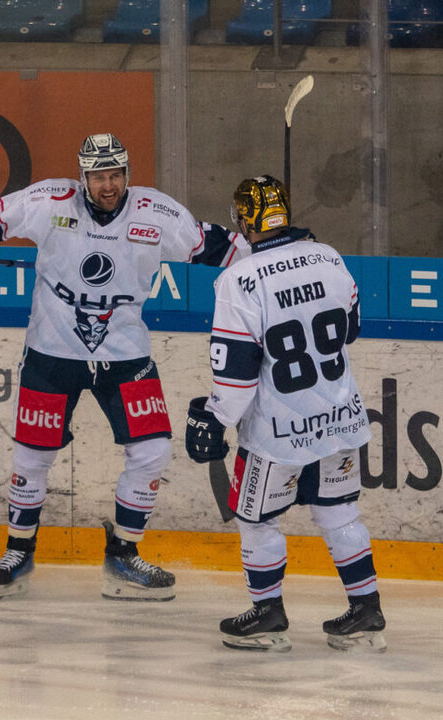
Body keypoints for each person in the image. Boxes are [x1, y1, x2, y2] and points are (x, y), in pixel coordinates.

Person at [0, 133, 247, 601]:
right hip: (51, 353)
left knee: (153, 450)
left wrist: (279, 256)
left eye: (116, 175)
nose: (109, 185)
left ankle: (123, 556)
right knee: (33, 457)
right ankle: (19, 550)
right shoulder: (50, 200)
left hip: (124, 357)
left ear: (127, 174)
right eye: (99, 176)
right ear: (83, 177)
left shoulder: (156, 214)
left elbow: (217, 245)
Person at [184, 175, 386, 653]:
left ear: (243, 220)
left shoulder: (237, 280)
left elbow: (235, 377)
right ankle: (367, 608)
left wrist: (213, 418)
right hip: (340, 420)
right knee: (339, 513)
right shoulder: (330, 256)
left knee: (256, 520)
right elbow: (351, 329)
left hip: (278, 433)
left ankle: (269, 614)